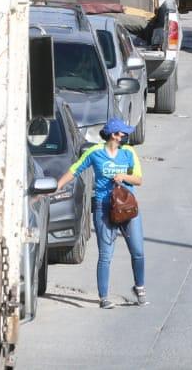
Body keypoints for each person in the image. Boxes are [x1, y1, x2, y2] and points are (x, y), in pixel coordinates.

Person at [57, 118, 146, 309]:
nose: (126, 135)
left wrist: (123, 177)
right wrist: (55, 188)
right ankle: (104, 297)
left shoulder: (129, 152)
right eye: (123, 132)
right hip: (103, 207)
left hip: (127, 208)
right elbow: (75, 169)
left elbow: (138, 179)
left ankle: (139, 288)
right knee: (105, 254)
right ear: (115, 135)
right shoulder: (95, 152)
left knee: (137, 251)